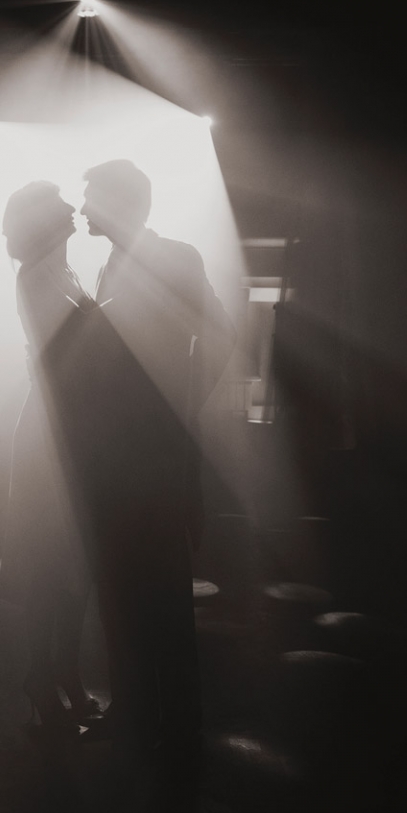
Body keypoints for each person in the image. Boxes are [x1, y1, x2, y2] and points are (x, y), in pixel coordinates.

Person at [79, 159, 236, 766]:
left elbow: (220, 332)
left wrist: (181, 409)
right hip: (117, 455)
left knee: (161, 594)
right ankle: (139, 712)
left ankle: (177, 725)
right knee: (122, 590)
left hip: (151, 457)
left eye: (93, 198)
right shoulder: (116, 263)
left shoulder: (175, 259)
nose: (84, 208)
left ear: (123, 204)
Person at [1, 181, 102, 730]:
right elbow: (71, 353)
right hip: (50, 432)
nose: (71, 207)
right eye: (59, 203)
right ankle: (44, 673)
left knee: (76, 565)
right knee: (49, 561)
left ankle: (64, 669)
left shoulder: (65, 273)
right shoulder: (36, 278)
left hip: (72, 427)